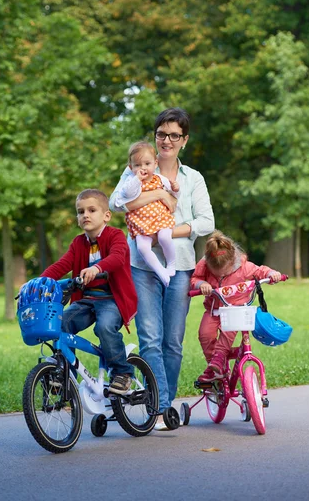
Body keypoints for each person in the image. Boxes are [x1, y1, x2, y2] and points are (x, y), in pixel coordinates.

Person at [110, 107, 214, 429]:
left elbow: (207, 222)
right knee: (150, 338)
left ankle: (161, 403)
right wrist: (155, 192)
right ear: (155, 136)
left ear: (184, 140)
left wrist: (167, 232)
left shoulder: (192, 178)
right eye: (161, 134)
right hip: (141, 265)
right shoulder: (138, 166)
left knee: (173, 341)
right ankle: (161, 408)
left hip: (179, 265)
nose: (166, 140)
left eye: (173, 135)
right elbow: (115, 204)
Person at [40, 189, 137, 395]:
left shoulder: (115, 236)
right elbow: (62, 265)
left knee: (104, 328)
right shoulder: (78, 243)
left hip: (113, 300)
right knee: (61, 322)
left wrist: (97, 268)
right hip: (87, 300)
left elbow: (118, 257)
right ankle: (64, 374)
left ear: (106, 215)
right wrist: (38, 282)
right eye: (80, 211)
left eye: (92, 210)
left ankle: (123, 373)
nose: (85, 215)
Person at [190, 230, 281, 383]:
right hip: (213, 309)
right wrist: (201, 284)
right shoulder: (204, 264)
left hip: (235, 309)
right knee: (204, 335)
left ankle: (218, 360)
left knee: (228, 332)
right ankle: (216, 368)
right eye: (216, 274)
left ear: (233, 261)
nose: (220, 276)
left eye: (224, 273)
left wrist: (272, 274)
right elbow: (195, 278)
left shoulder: (243, 266)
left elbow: (260, 271)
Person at [115, 140, 180, 287]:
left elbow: (174, 197)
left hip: (160, 218)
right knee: (142, 248)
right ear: (131, 167)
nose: (142, 168)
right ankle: (160, 271)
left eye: (147, 164)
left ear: (155, 164)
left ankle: (171, 264)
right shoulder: (131, 180)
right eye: (137, 165)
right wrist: (137, 179)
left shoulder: (160, 179)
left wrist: (176, 188)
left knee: (164, 237)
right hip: (140, 222)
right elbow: (126, 194)